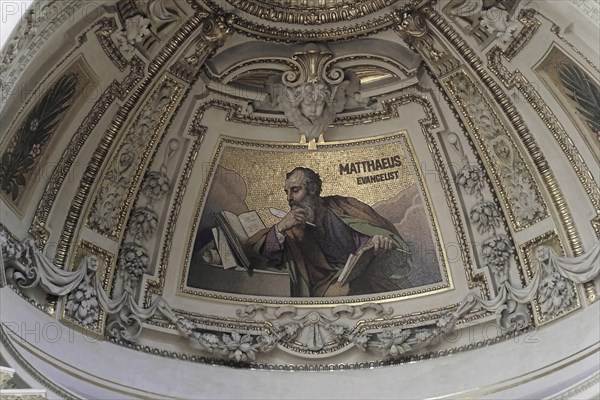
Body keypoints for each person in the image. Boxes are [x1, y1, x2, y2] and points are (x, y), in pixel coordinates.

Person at [246, 167, 412, 297]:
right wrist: (279, 229)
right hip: (324, 289)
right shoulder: (291, 228)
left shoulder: (345, 207)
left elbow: (371, 237)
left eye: (295, 190)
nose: (289, 198)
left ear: (312, 189)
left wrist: (378, 241)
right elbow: (266, 259)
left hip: (363, 279)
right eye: (287, 192)